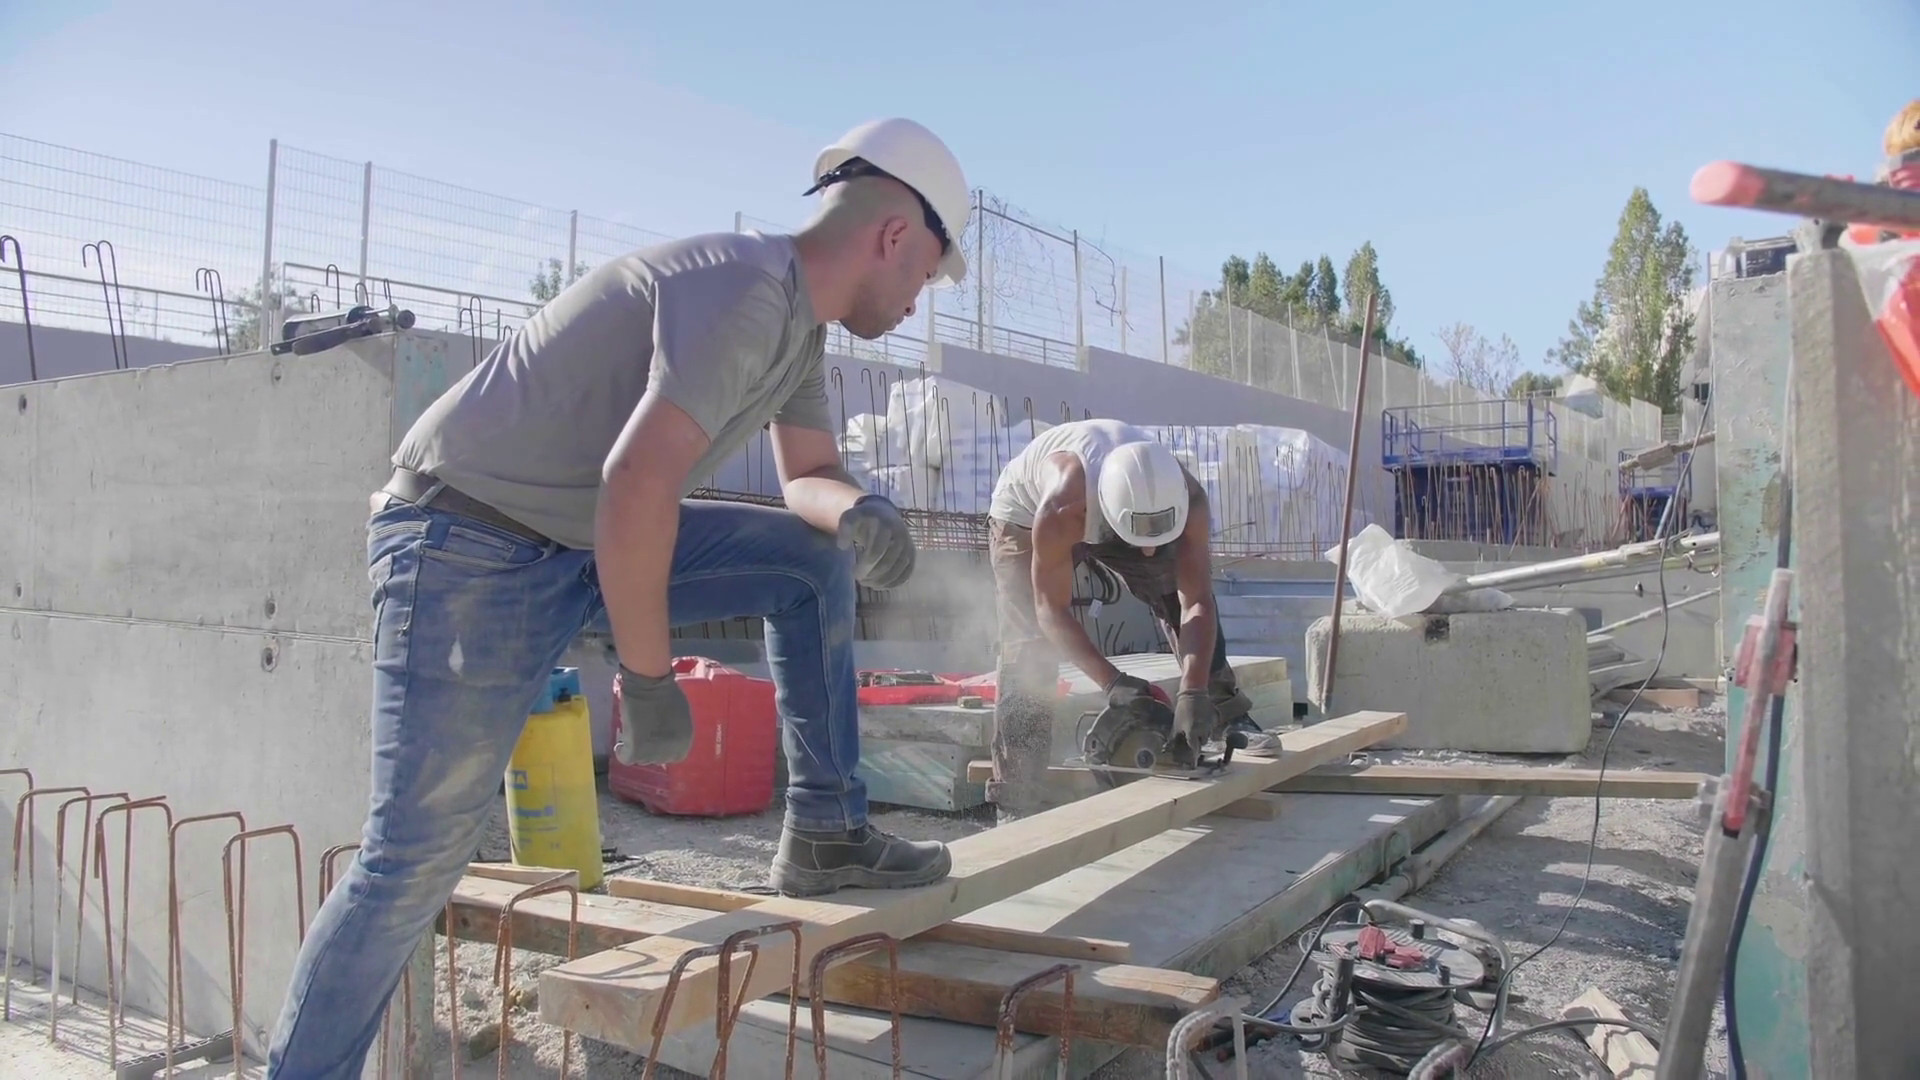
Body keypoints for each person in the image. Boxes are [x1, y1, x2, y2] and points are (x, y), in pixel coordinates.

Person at [265, 117, 972, 1078]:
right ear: (894, 236)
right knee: (411, 864)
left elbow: (807, 472)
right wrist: (648, 683)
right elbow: (637, 482)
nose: (920, 299)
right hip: (465, 544)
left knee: (811, 564)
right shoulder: (744, 289)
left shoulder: (798, 330)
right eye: (927, 276)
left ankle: (827, 833)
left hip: (575, 541)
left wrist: (858, 511)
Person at [982, 418, 1273, 815]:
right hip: (1023, 516)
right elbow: (1049, 609)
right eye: (1143, 543)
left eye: (1160, 539)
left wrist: (1192, 691)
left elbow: (1197, 601)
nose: (1149, 553)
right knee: (1027, 647)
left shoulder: (1190, 500)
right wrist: (1112, 682)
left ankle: (1221, 714)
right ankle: (1016, 795)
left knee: (1171, 587)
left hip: (1122, 510)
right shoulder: (1062, 507)